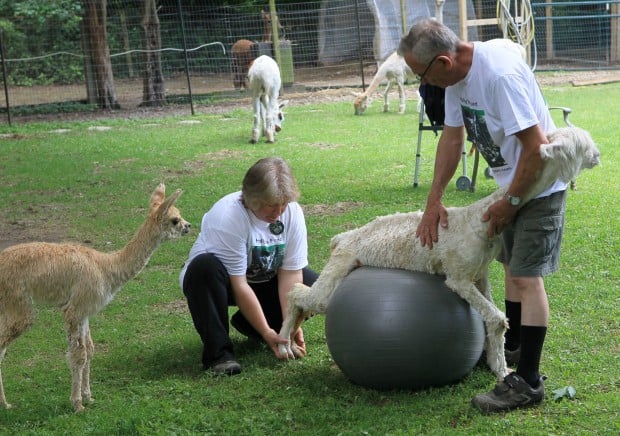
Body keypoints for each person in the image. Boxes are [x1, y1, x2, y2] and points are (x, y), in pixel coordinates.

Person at [398, 19, 567, 413]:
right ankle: (511, 350)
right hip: (508, 184)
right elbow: (453, 137)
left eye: (420, 76)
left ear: (442, 61)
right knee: (510, 268)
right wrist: (433, 200)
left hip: (539, 184)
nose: (422, 85)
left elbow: (536, 148)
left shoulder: (498, 77)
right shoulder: (457, 77)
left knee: (526, 277)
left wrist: (510, 202)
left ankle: (528, 381)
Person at [179, 157, 318, 376]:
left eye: (284, 204)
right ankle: (219, 355)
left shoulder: (292, 212)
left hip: (264, 277)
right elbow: (239, 284)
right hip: (222, 283)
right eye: (272, 205)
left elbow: (291, 274)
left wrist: (290, 326)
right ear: (253, 199)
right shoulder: (228, 216)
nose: (279, 211)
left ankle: (250, 324)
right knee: (203, 268)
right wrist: (266, 332)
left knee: (312, 286)